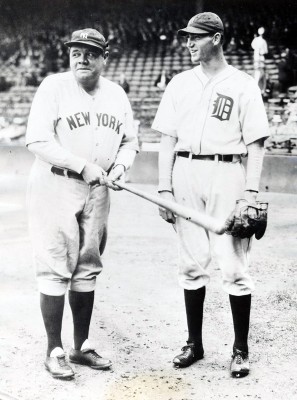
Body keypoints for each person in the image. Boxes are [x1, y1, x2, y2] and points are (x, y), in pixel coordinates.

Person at [152, 12, 269, 378]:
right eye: (187, 36)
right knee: (190, 263)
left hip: (226, 172)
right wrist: (163, 186)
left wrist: (249, 191)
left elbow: (256, 142)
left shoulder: (243, 83)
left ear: (215, 38)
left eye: (196, 37)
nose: (188, 42)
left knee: (233, 265)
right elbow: (167, 138)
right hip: (184, 171)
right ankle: (194, 343)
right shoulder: (179, 83)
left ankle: (240, 349)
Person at [26, 28, 139, 379]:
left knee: (88, 265)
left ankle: (82, 346)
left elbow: (130, 141)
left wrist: (120, 166)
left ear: (104, 58)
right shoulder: (53, 87)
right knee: (56, 266)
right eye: (76, 52)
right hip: (56, 183)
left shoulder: (117, 94)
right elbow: (37, 139)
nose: (82, 58)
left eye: (90, 52)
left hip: (99, 188)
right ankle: (54, 350)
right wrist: (82, 165)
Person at [251, 27, 268, 94]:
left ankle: (262, 90)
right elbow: (253, 46)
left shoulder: (263, 41)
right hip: (257, 59)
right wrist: (258, 50)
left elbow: (265, 51)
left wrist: (261, 51)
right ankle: (257, 89)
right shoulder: (256, 40)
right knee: (257, 73)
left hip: (260, 59)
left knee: (261, 74)